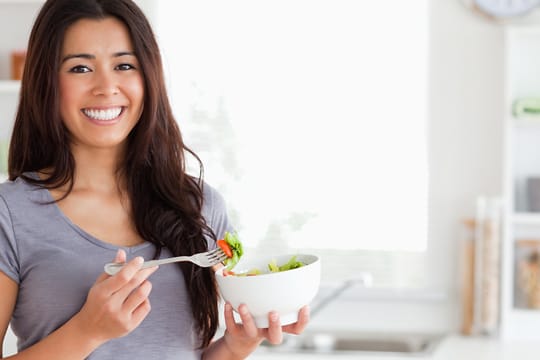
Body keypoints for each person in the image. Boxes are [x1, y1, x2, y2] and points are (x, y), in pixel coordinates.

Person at [0, 0, 309, 359]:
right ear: (46, 81)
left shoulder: (200, 206)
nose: (106, 86)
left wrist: (237, 345)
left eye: (124, 65)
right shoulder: (11, 214)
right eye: (81, 68)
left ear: (149, 77)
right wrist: (86, 331)